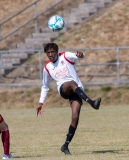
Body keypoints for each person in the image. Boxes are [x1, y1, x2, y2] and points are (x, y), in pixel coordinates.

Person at [36, 43, 101, 155]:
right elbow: (45, 86)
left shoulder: (65, 56)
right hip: (64, 89)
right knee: (71, 83)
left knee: (75, 117)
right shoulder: (47, 68)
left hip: (77, 91)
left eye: (52, 52)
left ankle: (65, 145)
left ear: (57, 52)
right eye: (48, 53)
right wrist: (41, 102)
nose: (50, 54)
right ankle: (92, 103)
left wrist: (82, 55)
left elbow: (80, 56)